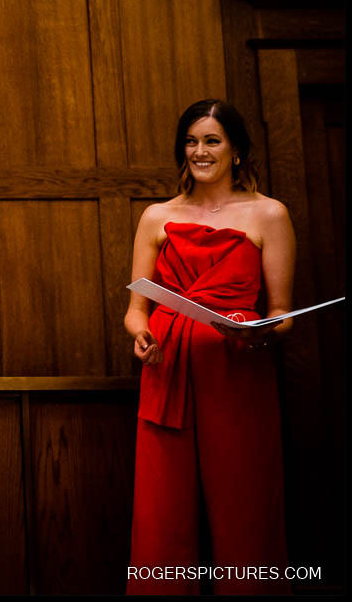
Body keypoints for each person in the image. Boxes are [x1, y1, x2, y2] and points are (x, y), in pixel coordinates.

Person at [124, 100, 293, 595]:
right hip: (168, 370)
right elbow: (135, 308)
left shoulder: (269, 213)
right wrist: (141, 334)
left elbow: (282, 313)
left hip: (237, 371)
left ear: (236, 150)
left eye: (212, 141)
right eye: (192, 141)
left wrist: (260, 331)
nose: (200, 151)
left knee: (244, 497)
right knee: (161, 505)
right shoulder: (157, 216)